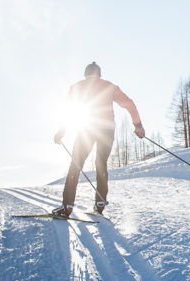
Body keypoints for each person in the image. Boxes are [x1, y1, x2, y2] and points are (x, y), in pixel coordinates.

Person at [52, 62, 145, 218]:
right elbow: (129, 103)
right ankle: (100, 203)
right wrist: (138, 126)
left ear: (85, 73)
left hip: (87, 128)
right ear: (99, 74)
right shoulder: (109, 86)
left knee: (76, 164)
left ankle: (67, 206)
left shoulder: (76, 87)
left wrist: (61, 131)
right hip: (107, 129)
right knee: (101, 163)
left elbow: (67, 110)